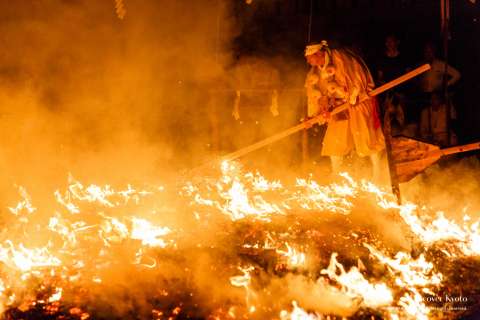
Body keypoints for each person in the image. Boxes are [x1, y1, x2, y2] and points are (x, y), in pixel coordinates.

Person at [304, 41, 385, 180]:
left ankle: (378, 175)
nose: (307, 60)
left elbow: (356, 75)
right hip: (337, 107)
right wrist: (313, 116)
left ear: (319, 53)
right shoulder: (315, 71)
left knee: (368, 140)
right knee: (334, 142)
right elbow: (314, 93)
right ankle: (337, 175)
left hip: (359, 101)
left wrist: (353, 95)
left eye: (309, 56)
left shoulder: (339, 57)